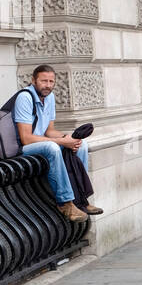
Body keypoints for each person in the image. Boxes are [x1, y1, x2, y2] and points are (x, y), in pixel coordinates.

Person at [14, 64, 100, 222]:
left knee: (81, 145)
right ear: (33, 80)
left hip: (42, 142)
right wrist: (60, 142)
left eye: (51, 81)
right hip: (22, 148)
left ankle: (80, 199)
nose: (47, 85)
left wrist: (68, 138)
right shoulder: (25, 98)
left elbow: (49, 130)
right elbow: (26, 137)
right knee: (53, 147)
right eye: (43, 81)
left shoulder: (50, 97)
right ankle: (65, 202)